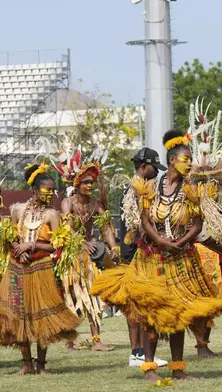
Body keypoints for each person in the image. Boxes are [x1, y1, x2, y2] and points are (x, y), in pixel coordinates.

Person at [91, 129, 222, 380]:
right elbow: (144, 220)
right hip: (151, 257)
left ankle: (178, 368)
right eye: (186, 159)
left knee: (178, 312)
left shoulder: (193, 190)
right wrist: (159, 240)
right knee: (150, 313)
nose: (190, 163)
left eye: (191, 159)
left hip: (180, 258)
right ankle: (149, 367)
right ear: (172, 161)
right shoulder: (151, 187)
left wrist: (180, 242)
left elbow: (197, 225)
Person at [0, 163, 81, 374]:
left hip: (41, 267)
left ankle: (41, 365)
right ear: (35, 190)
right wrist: (19, 248)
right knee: (20, 314)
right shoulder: (17, 209)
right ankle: (26, 364)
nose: (51, 193)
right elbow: (10, 237)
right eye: (47, 189)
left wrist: (32, 245)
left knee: (42, 315)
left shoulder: (52, 214)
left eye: (53, 190)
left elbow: (56, 244)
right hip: (18, 268)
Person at [51, 147, 120, 352]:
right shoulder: (67, 203)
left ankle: (97, 341)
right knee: (72, 296)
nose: (90, 185)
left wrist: (114, 246)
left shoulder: (95, 203)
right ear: (77, 184)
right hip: (72, 255)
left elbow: (105, 226)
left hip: (90, 256)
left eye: (92, 182)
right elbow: (66, 227)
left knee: (93, 296)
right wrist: (81, 242)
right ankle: (70, 340)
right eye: (86, 182)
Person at [119, 147, 168, 367]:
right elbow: (136, 226)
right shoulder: (134, 191)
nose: (157, 173)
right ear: (142, 167)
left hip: (141, 252)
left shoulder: (146, 189)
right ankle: (137, 352)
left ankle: (140, 352)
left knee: (142, 304)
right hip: (134, 254)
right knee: (136, 306)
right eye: (153, 168)